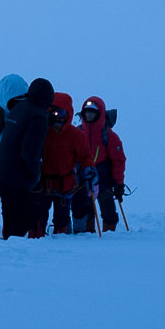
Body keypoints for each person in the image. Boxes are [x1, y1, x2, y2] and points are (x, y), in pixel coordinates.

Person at [0, 78, 53, 239]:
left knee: (11, 217)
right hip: (16, 176)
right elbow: (30, 151)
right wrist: (35, 175)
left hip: (2, 170)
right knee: (20, 222)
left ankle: (7, 254)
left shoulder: (20, 108)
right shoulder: (38, 116)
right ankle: (11, 259)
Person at [77, 96, 126, 232]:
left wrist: (119, 183)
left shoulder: (110, 136)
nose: (89, 115)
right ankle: (88, 233)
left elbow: (118, 162)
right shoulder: (78, 133)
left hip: (105, 180)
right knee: (86, 207)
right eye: (87, 112)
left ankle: (109, 233)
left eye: (92, 112)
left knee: (108, 207)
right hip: (84, 177)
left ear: (99, 114)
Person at [40, 93, 84, 235]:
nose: (56, 116)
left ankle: (62, 240)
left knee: (62, 217)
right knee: (40, 213)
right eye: (53, 111)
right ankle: (38, 237)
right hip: (44, 182)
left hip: (65, 184)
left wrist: (89, 169)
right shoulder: (43, 131)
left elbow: (85, 156)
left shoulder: (75, 135)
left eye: (60, 112)